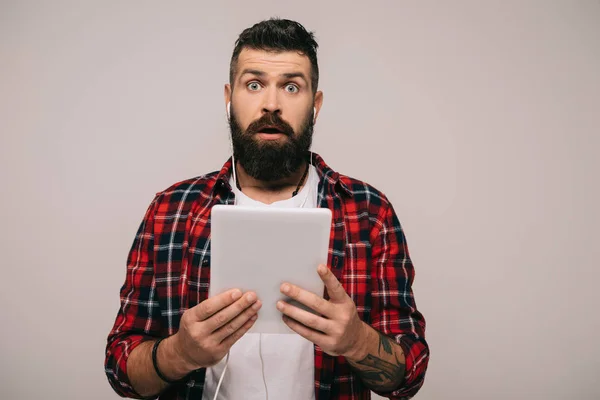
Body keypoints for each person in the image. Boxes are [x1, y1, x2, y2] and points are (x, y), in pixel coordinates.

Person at [105, 18, 429, 400]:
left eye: (292, 87)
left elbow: (409, 375)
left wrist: (356, 341)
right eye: (254, 84)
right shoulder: (170, 211)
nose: (271, 104)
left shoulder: (369, 213)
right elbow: (121, 369)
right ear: (229, 99)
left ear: (316, 104)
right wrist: (180, 353)